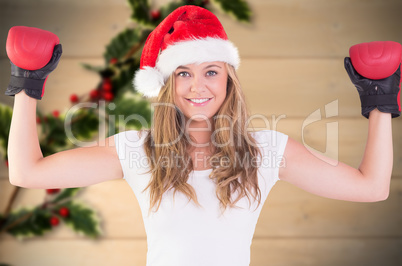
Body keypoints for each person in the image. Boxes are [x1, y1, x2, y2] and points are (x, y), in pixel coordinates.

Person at [5, 5, 400, 266]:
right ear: (168, 83)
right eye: (183, 73)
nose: (198, 86)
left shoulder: (266, 150)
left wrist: (379, 98)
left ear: (229, 79)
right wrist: (28, 84)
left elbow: (371, 188)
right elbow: (27, 173)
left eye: (211, 71)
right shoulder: (137, 149)